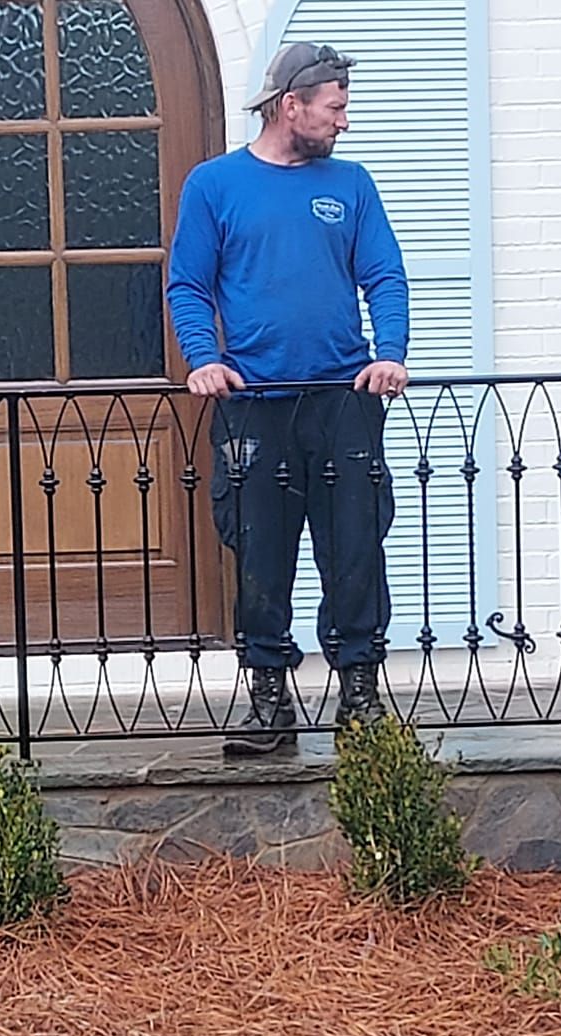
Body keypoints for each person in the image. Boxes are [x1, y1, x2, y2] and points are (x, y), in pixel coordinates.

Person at [166, 41, 410, 755]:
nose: (343, 122)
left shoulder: (353, 184)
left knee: (356, 549)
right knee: (261, 554)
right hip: (255, 404)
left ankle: (359, 699)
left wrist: (389, 354)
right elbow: (189, 284)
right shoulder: (215, 185)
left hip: (342, 398)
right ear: (290, 105)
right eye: (334, 108)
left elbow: (385, 277)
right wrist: (204, 360)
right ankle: (269, 703)